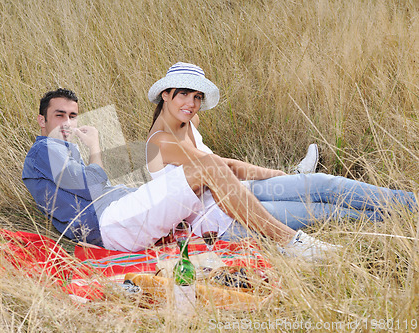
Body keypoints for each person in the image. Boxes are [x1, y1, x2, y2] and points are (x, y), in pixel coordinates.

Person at [22, 88, 341, 261]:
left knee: (206, 173)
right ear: (42, 120)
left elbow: (92, 182)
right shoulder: (44, 149)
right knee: (207, 171)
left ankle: (290, 190)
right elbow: (91, 183)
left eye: (73, 115)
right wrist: (95, 147)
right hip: (110, 221)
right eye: (58, 115)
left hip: (118, 213)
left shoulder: (65, 151)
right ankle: (294, 237)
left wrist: (94, 151)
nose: (67, 122)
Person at [146, 62, 417, 253]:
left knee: (324, 184)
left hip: (236, 191)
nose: (191, 104)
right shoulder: (162, 142)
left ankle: (410, 202)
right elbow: (224, 166)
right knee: (326, 211)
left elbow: (223, 166)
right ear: (165, 95)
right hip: (222, 219)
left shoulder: (186, 124)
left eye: (196, 97)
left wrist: (278, 177)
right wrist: (277, 175)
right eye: (183, 94)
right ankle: (398, 221)